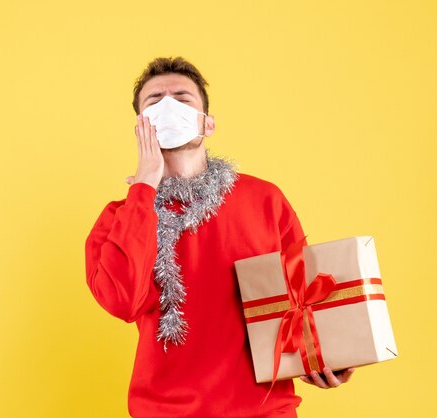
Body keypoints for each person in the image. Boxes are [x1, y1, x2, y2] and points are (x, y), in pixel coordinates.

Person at [84, 57, 354, 418]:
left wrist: (322, 360)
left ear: (207, 124)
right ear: (140, 127)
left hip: (266, 412)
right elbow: (121, 301)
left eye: (182, 98)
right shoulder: (119, 217)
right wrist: (146, 185)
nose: (169, 107)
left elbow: (301, 303)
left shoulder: (265, 200)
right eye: (155, 102)